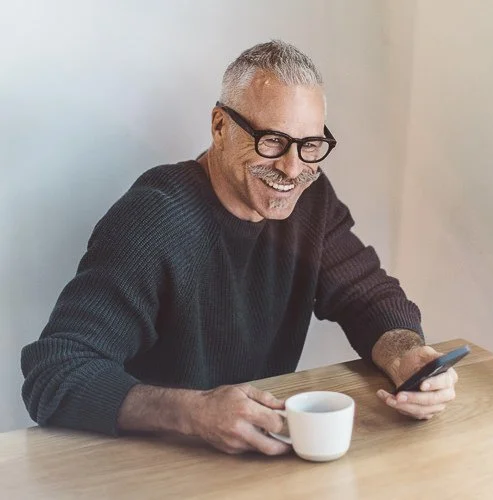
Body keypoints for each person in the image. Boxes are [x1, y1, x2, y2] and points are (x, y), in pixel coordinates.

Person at [21, 40, 458, 456]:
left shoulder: (312, 199)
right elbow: (55, 372)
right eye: (272, 141)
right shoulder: (152, 221)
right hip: (157, 463)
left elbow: (368, 296)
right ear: (219, 126)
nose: (293, 168)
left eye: (311, 146)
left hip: (260, 455)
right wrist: (193, 413)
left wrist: (407, 356)